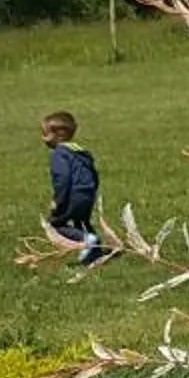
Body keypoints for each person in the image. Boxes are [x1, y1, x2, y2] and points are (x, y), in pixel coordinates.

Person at [41, 110, 113, 266]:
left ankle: (88, 240)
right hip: (88, 192)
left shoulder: (59, 154)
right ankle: (97, 250)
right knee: (82, 221)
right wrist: (91, 191)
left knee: (56, 224)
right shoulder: (80, 151)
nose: (42, 138)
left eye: (45, 134)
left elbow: (63, 179)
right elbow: (93, 172)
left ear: (58, 135)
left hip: (73, 195)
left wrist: (57, 201)